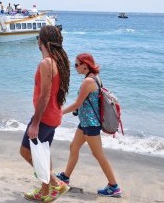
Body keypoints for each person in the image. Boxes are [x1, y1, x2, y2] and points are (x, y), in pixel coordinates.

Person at [56, 53, 122, 198]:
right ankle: (65, 177)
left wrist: (59, 113)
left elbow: (77, 103)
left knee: (98, 155)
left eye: (76, 65)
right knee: (74, 147)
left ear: (85, 65)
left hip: (91, 125)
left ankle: (114, 186)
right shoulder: (95, 77)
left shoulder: (88, 82)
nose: (75, 68)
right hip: (85, 122)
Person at [20, 25, 71, 202]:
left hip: (45, 117)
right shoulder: (58, 61)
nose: (37, 42)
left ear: (42, 41)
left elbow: (45, 95)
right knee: (42, 153)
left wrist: (35, 123)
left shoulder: (46, 63)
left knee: (26, 151)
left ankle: (56, 183)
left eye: (38, 38)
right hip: (54, 115)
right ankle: (45, 192)